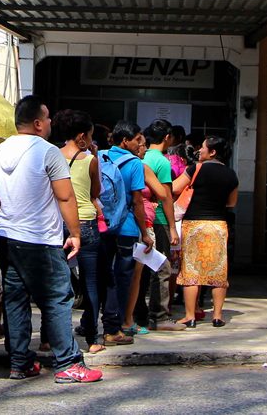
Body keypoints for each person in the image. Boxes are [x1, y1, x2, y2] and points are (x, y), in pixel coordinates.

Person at [0, 96, 102, 384]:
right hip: (41, 238)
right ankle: (67, 362)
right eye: (48, 117)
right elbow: (65, 196)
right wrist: (75, 233)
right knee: (56, 299)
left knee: (15, 300)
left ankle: (19, 362)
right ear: (38, 123)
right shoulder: (48, 152)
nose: (51, 122)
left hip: (7, 236)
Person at [52, 110, 105, 354]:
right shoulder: (89, 159)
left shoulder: (52, 156)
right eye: (91, 136)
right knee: (91, 282)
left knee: (56, 283)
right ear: (82, 136)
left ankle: (48, 338)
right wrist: (94, 159)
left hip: (58, 223)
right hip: (85, 223)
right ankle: (94, 339)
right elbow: (96, 192)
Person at [173, 136, 239, 327]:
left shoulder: (196, 168)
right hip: (218, 225)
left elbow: (176, 188)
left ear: (212, 152)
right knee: (218, 272)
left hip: (194, 225)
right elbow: (231, 203)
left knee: (191, 271)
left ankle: (190, 316)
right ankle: (217, 316)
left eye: (202, 147)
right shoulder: (231, 174)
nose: (198, 150)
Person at [100, 121, 154, 348]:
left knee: (102, 277)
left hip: (103, 225)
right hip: (127, 228)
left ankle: (94, 322)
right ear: (125, 141)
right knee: (122, 278)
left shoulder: (100, 155)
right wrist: (145, 233)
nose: (141, 145)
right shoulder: (134, 164)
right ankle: (117, 324)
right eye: (137, 140)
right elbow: (138, 202)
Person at [141, 120, 183, 332]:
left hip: (142, 220)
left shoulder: (142, 156)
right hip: (158, 220)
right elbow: (166, 196)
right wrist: (172, 226)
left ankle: (142, 314)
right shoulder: (163, 162)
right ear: (167, 137)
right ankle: (159, 316)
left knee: (144, 268)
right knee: (163, 267)